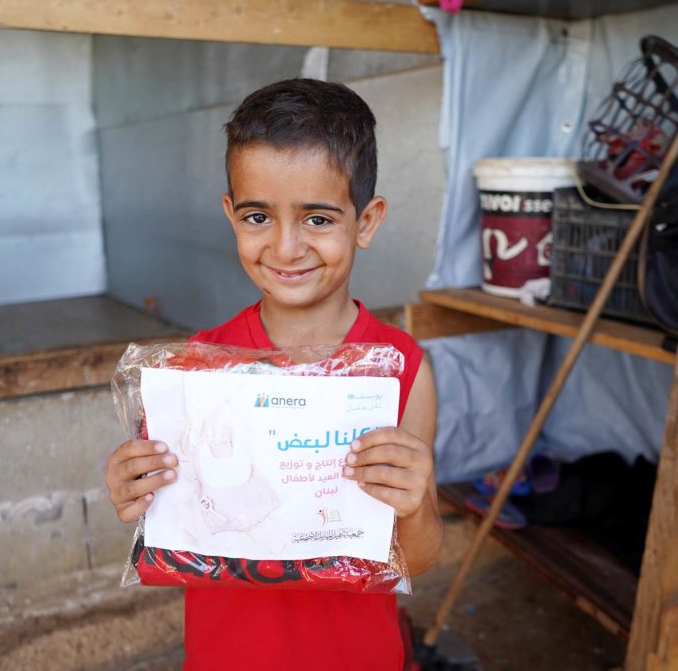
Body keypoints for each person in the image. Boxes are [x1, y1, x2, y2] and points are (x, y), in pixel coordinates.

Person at [104, 78, 443, 670]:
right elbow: (168, 518)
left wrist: (413, 507)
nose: (286, 249)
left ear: (366, 221)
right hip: (227, 657)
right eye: (259, 216)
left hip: (358, 656)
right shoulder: (196, 367)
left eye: (317, 219)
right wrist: (135, 489)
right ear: (230, 213)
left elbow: (418, 557)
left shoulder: (402, 369)